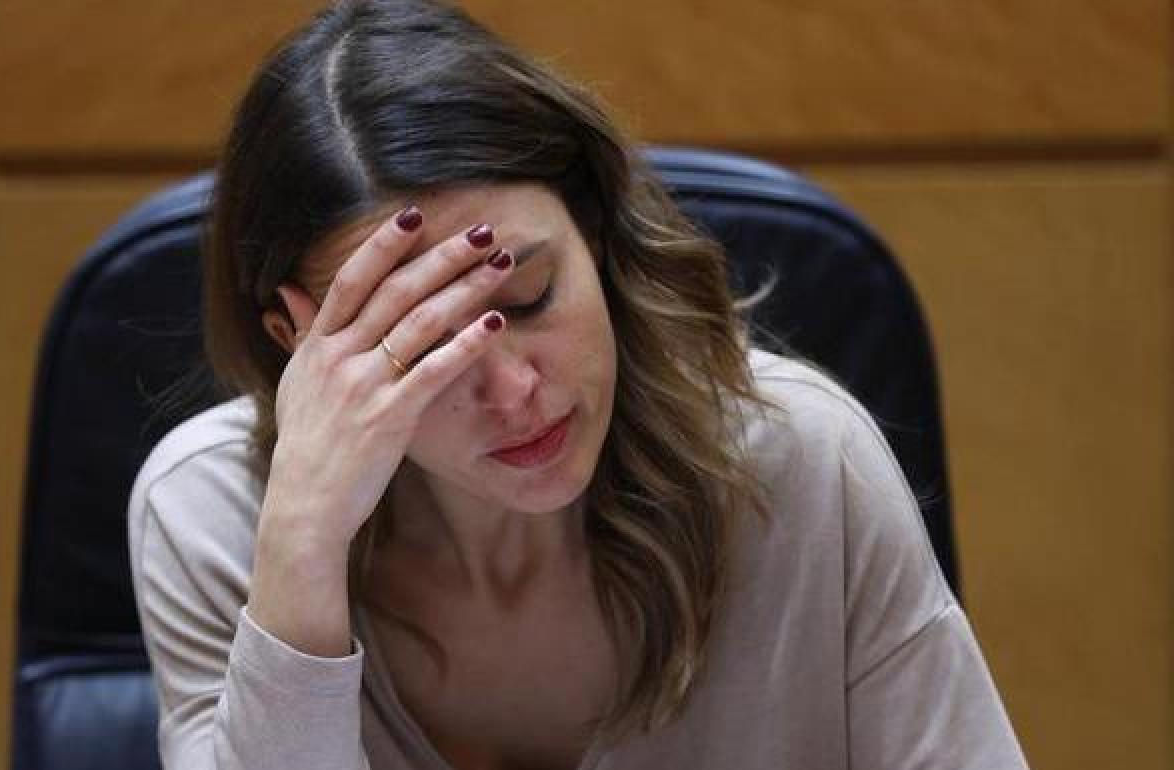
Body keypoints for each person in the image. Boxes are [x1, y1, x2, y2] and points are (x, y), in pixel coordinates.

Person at [126, 1, 1029, 768]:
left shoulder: (799, 459)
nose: (515, 390)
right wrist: (300, 554)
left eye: (530, 295)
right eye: (419, 349)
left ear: (595, 235)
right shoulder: (214, 516)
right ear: (296, 347)